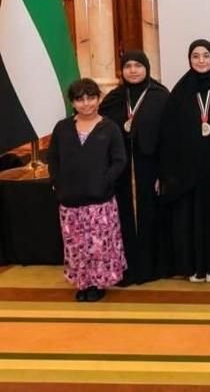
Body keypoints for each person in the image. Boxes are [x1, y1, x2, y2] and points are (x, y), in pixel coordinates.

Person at [159, 39, 210, 282]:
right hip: (188, 172)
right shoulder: (180, 93)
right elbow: (168, 134)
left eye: (206, 55)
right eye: (196, 56)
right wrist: (167, 172)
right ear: (189, 60)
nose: (201, 60)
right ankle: (195, 267)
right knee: (191, 219)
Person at [48, 78, 127, 302]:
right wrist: (58, 183)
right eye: (80, 99)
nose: (86, 103)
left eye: (91, 98)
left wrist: (104, 182)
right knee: (77, 245)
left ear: (99, 99)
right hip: (70, 201)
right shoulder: (62, 128)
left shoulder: (109, 128)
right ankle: (82, 283)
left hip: (100, 202)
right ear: (72, 103)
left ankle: (98, 284)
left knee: (99, 246)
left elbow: (119, 160)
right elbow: (53, 157)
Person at [99, 50, 169, 285]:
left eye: (138, 65)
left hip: (151, 167)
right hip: (121, 169)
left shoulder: (160, 96)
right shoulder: (113, 99)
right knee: (123, 217)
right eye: (128, 66)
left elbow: (170, 137)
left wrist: (164, 173)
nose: (133, 70)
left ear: (146, 68)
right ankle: (125, 267)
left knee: (151, 215)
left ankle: (151, 267)